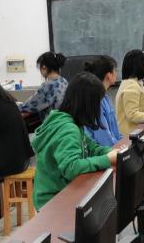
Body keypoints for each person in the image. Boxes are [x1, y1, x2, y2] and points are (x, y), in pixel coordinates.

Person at [33, 72, 119, 210]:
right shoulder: (68, 129)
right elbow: (71, 168)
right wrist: (107, 159)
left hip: (64, 191)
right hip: (54, 200)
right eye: (97, 103)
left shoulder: (72, 122)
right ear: (87, 104)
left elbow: (91, 147)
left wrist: (111, 152)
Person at [83, 55, 123, 147]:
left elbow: (115, 132)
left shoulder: (104, 97)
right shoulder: (95, 100)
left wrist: (123, 143)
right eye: (115, 70)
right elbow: (105, 141)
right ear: (109, 75)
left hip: (114, 147)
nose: (117, 73)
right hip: (104, 152)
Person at [18, 51, 68, 124]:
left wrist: (15, 107)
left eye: (39, 68)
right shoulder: (63, 81)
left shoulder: (49, 85)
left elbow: (31, 105)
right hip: (63, 123)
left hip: (52, 126)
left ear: (44, 67)